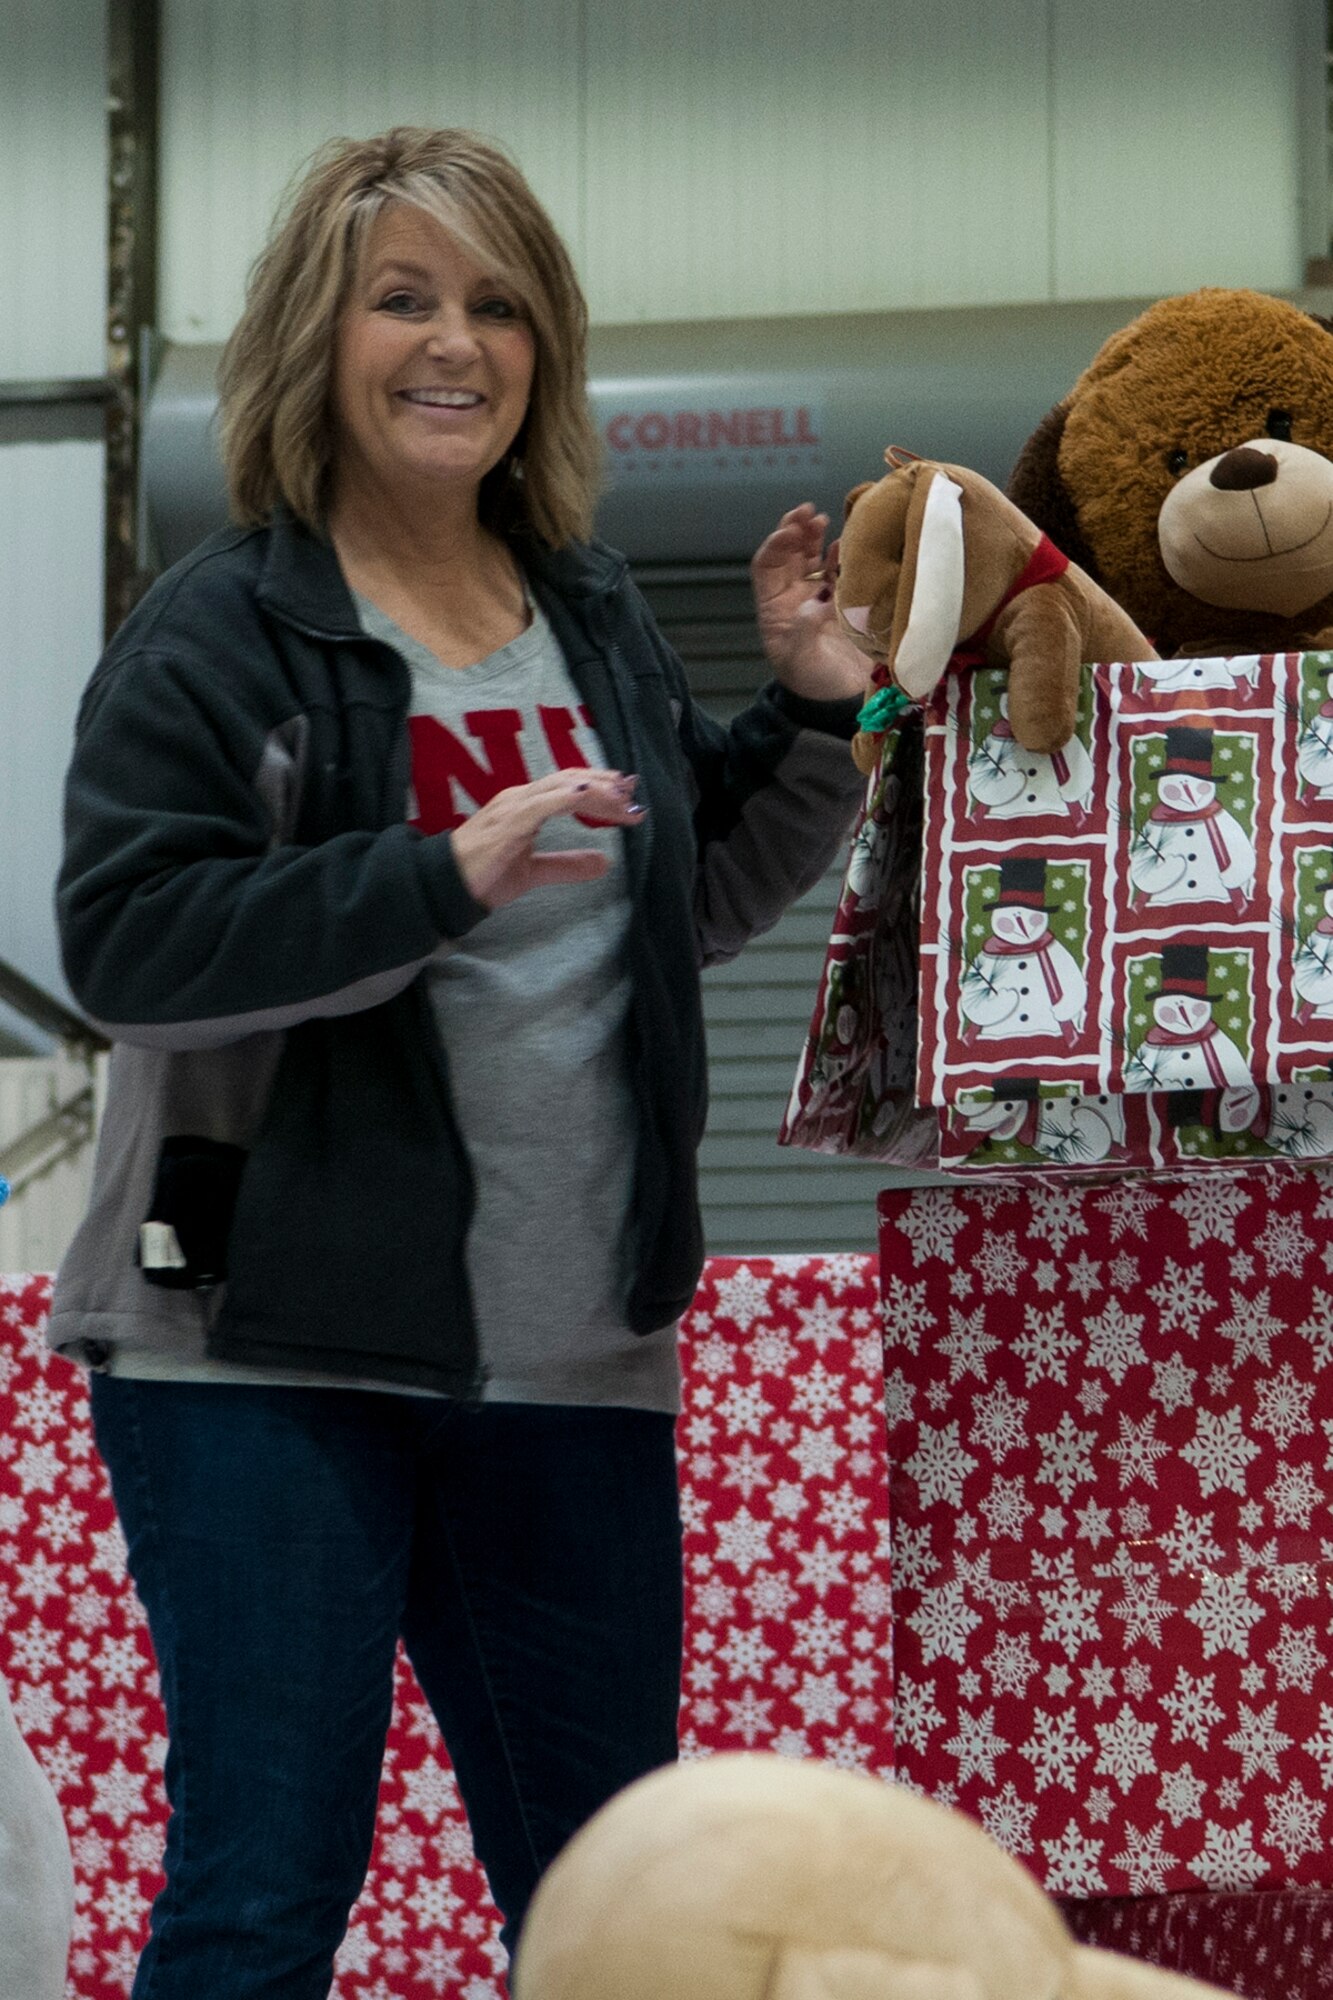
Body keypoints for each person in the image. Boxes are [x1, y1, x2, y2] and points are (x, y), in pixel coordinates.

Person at [49, 127, 869, 1997]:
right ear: (311, 340)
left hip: (575, 1360)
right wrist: (439, 868)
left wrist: (814, 717)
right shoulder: (222, 632)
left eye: (498, 303)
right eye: (401, 297)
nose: (455, 343)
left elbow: (683, 902)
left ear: (546, 350)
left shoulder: (584, 610)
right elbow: (134, 949)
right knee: (264, 1893)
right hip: (260, 1354)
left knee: (625, 1917)